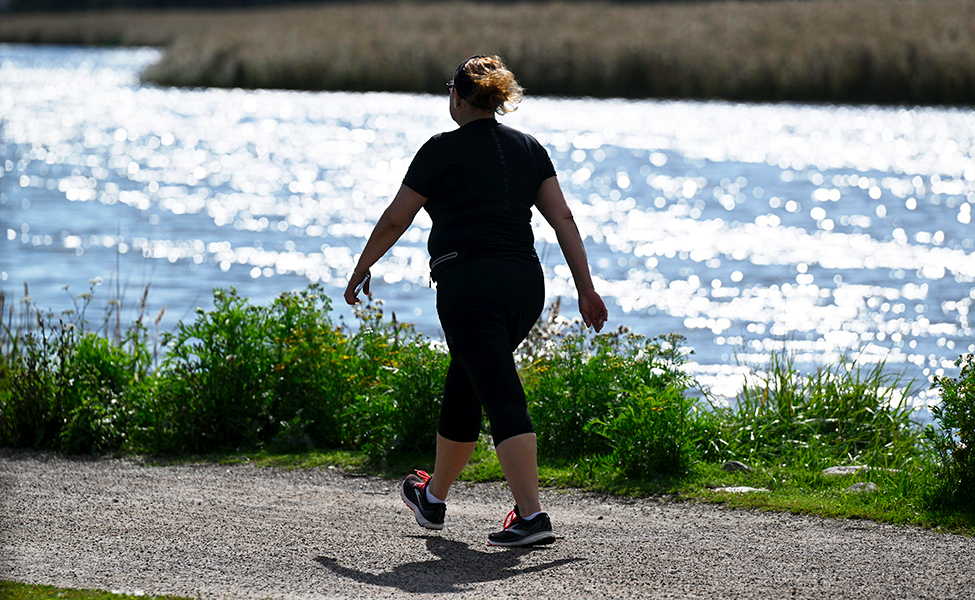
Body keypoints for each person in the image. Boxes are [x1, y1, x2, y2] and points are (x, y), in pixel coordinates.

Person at [344, 55, 607, 547]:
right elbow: (563, 220)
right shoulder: (530, 148)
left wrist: (362, 268)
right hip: (525, 287)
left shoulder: (440, 150)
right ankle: (433, 498)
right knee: (468, 381)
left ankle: (531, 516)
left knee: (499, 391)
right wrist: (585, 287)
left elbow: (395, 220)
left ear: (459, 97)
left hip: (469, 287)